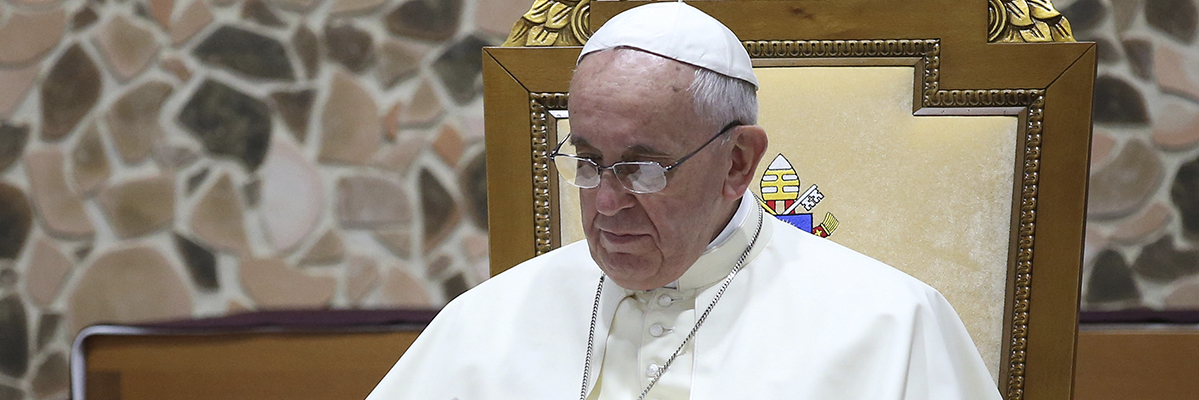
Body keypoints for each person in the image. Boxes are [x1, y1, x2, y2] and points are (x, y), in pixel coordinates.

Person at [366, 3, 1002, 399]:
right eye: (586, 162)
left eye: (642, 168)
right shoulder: (484, 325)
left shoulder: (891, 325)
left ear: (737, 162)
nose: (606, 203)